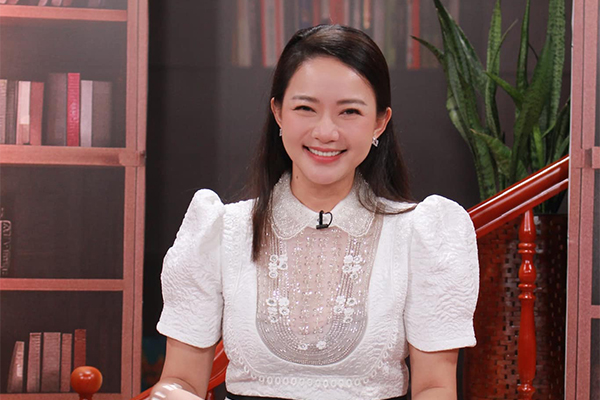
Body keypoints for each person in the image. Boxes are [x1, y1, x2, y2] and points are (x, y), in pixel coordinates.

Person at [151, 25, 479, 400]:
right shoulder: (223, 230)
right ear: (278, 112)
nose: (325, 132)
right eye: (305, 108)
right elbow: (181, 381)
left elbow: (434, 387)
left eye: (349, 111)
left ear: (380, 122)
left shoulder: (417, 234)